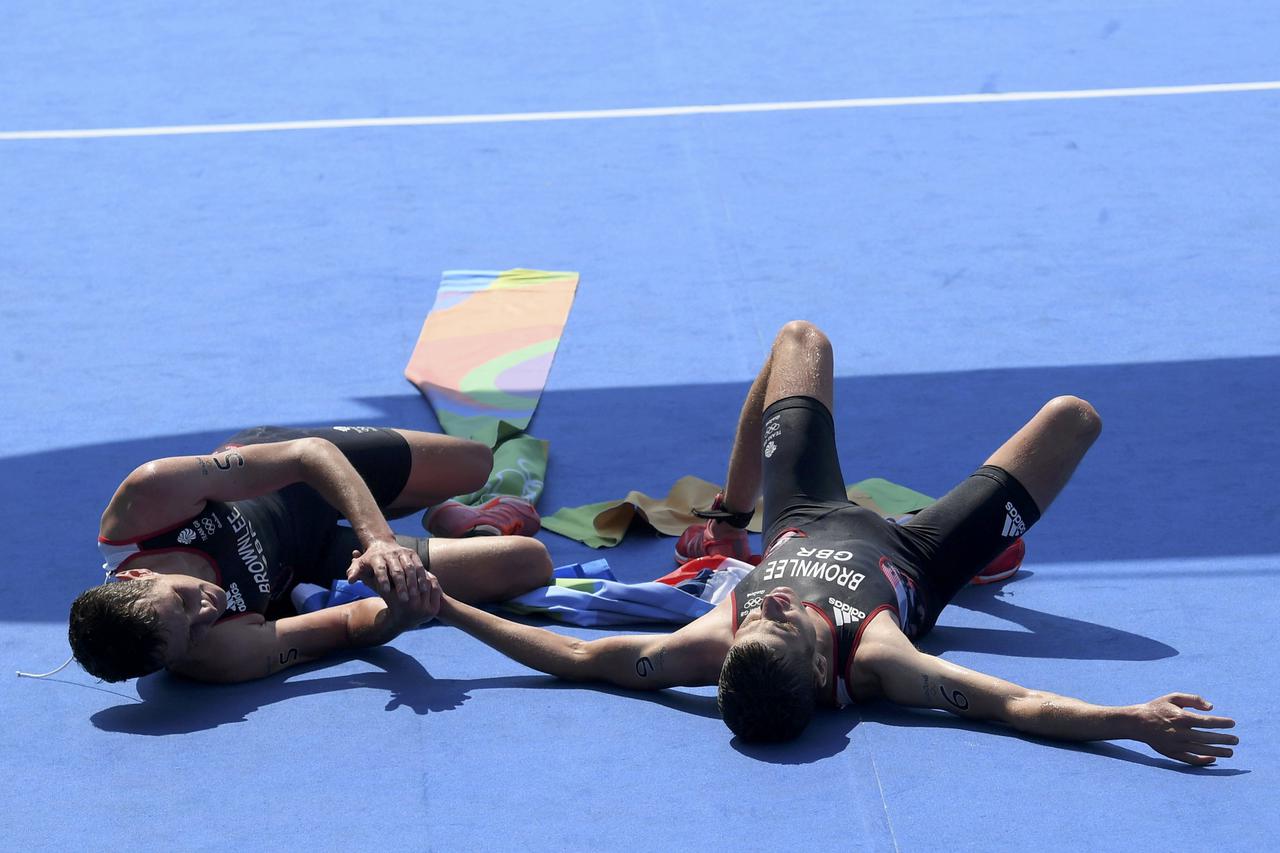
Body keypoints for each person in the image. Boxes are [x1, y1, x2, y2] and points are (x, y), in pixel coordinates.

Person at [439, 322, 1239, 766]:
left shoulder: (714, 646)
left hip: (802, 508)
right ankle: (984, 551)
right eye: (781, 618)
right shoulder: (885, 659)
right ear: (824, 667)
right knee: (1074, 417)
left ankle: (729, 508)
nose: (769, 597)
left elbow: (572, 658)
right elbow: (1017, 703)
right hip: (928, 551)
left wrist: (440, 607)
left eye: (759, 613)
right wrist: (1131, 720)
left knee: (800, 338)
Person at [69, 425, 550, 683]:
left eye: (183, 602)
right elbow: (345, 627)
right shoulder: (218, 657)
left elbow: (309, 454)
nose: (208, 610)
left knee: (474, 464)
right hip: (318, 556)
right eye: (192, 635)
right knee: (525, 563)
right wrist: (399, 616)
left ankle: (427, 505)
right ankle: (441, 519)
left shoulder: (148, 498)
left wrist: (379, 539)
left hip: (297, 474)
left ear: (136, 578)